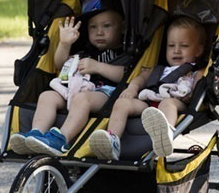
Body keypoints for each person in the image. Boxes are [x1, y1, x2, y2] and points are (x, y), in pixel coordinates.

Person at [9, 0, 130, 156]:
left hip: (106, 93)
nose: (99, 32)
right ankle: (36, 134)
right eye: (93, 27)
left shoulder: (125, 52)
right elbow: (60, 64)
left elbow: (126, 75)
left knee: (82, 99)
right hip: (74, 89)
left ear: (122, 27)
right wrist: (65, 44)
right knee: (47, 95)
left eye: (106, 26)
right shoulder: (86, 49)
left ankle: (61, 139)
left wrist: (98, 67)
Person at [88, 16, 206, 160]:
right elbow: (141, 78)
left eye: (184, 46)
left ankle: (165, 134)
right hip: (150, 102)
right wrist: (132, 88)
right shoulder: (160, 69)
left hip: (176, 101)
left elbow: (199, 86)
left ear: (198, 50)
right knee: (122, 103)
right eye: (171, 45)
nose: (176, 51)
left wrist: (192, 93)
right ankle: (113, 141)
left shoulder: (196, 71)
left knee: (167, 103)